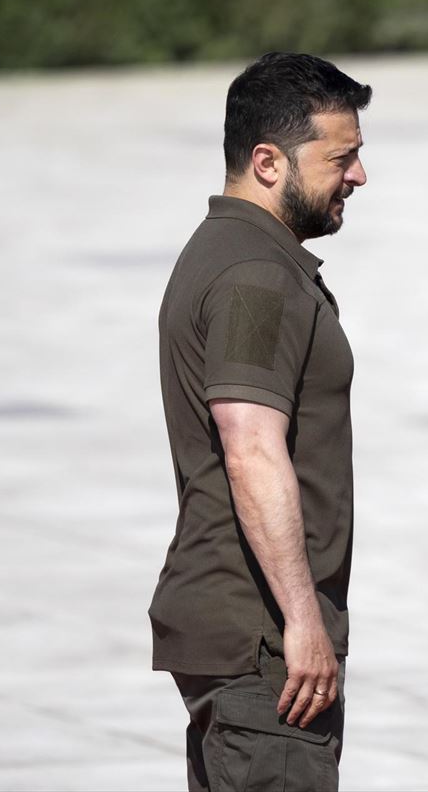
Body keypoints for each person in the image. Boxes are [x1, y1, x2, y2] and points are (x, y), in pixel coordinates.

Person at [150, 52, 371, 791]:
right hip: (262, 641)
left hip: (243, 633)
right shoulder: (255, 275)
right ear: (268, 162)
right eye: (342, 158)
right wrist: (302, 622)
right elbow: (250, 447)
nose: (359, 177)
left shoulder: (234, 253)